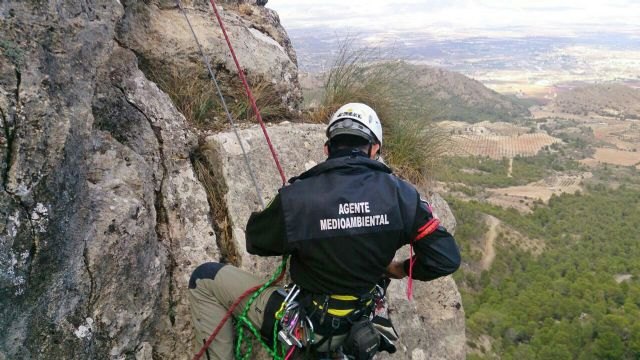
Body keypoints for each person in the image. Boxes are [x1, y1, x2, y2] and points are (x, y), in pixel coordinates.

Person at [189, 103, 461, 359]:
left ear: (328, 149)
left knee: (204, 279)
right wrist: (399, 269)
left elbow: (256, 241)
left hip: (302, 328)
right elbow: (445, 258)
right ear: (374, 148)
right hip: (359, 330)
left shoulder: (298, 196)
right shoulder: (403, 196)